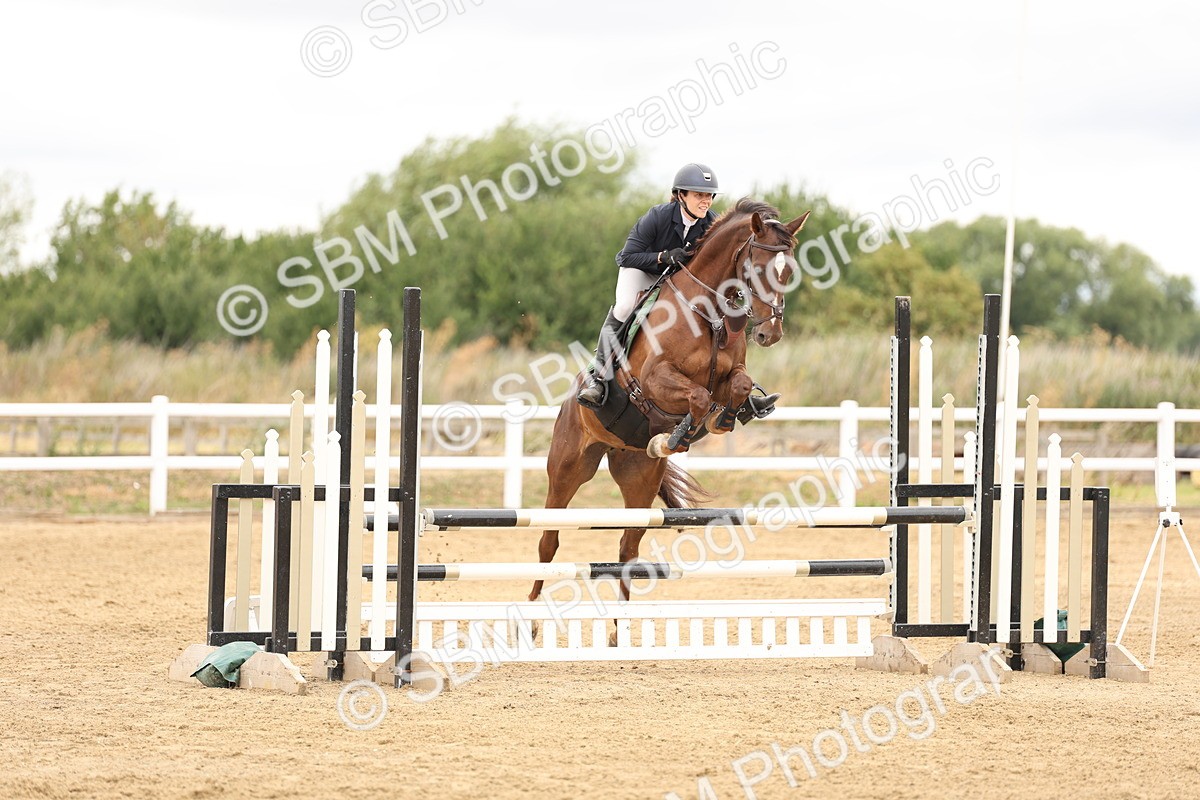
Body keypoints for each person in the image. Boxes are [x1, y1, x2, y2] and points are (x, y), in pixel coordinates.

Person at [575, 163, 778, 420]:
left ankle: (739, 393)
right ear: (681, 195)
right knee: (625, 307)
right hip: (642, 271)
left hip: (679, 281)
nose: (705, 201)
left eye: (709, 196)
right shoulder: (657, 216)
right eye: (698, 195)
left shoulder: (712, 222)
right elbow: (626, 257)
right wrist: (663, 257)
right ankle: (598, 377)